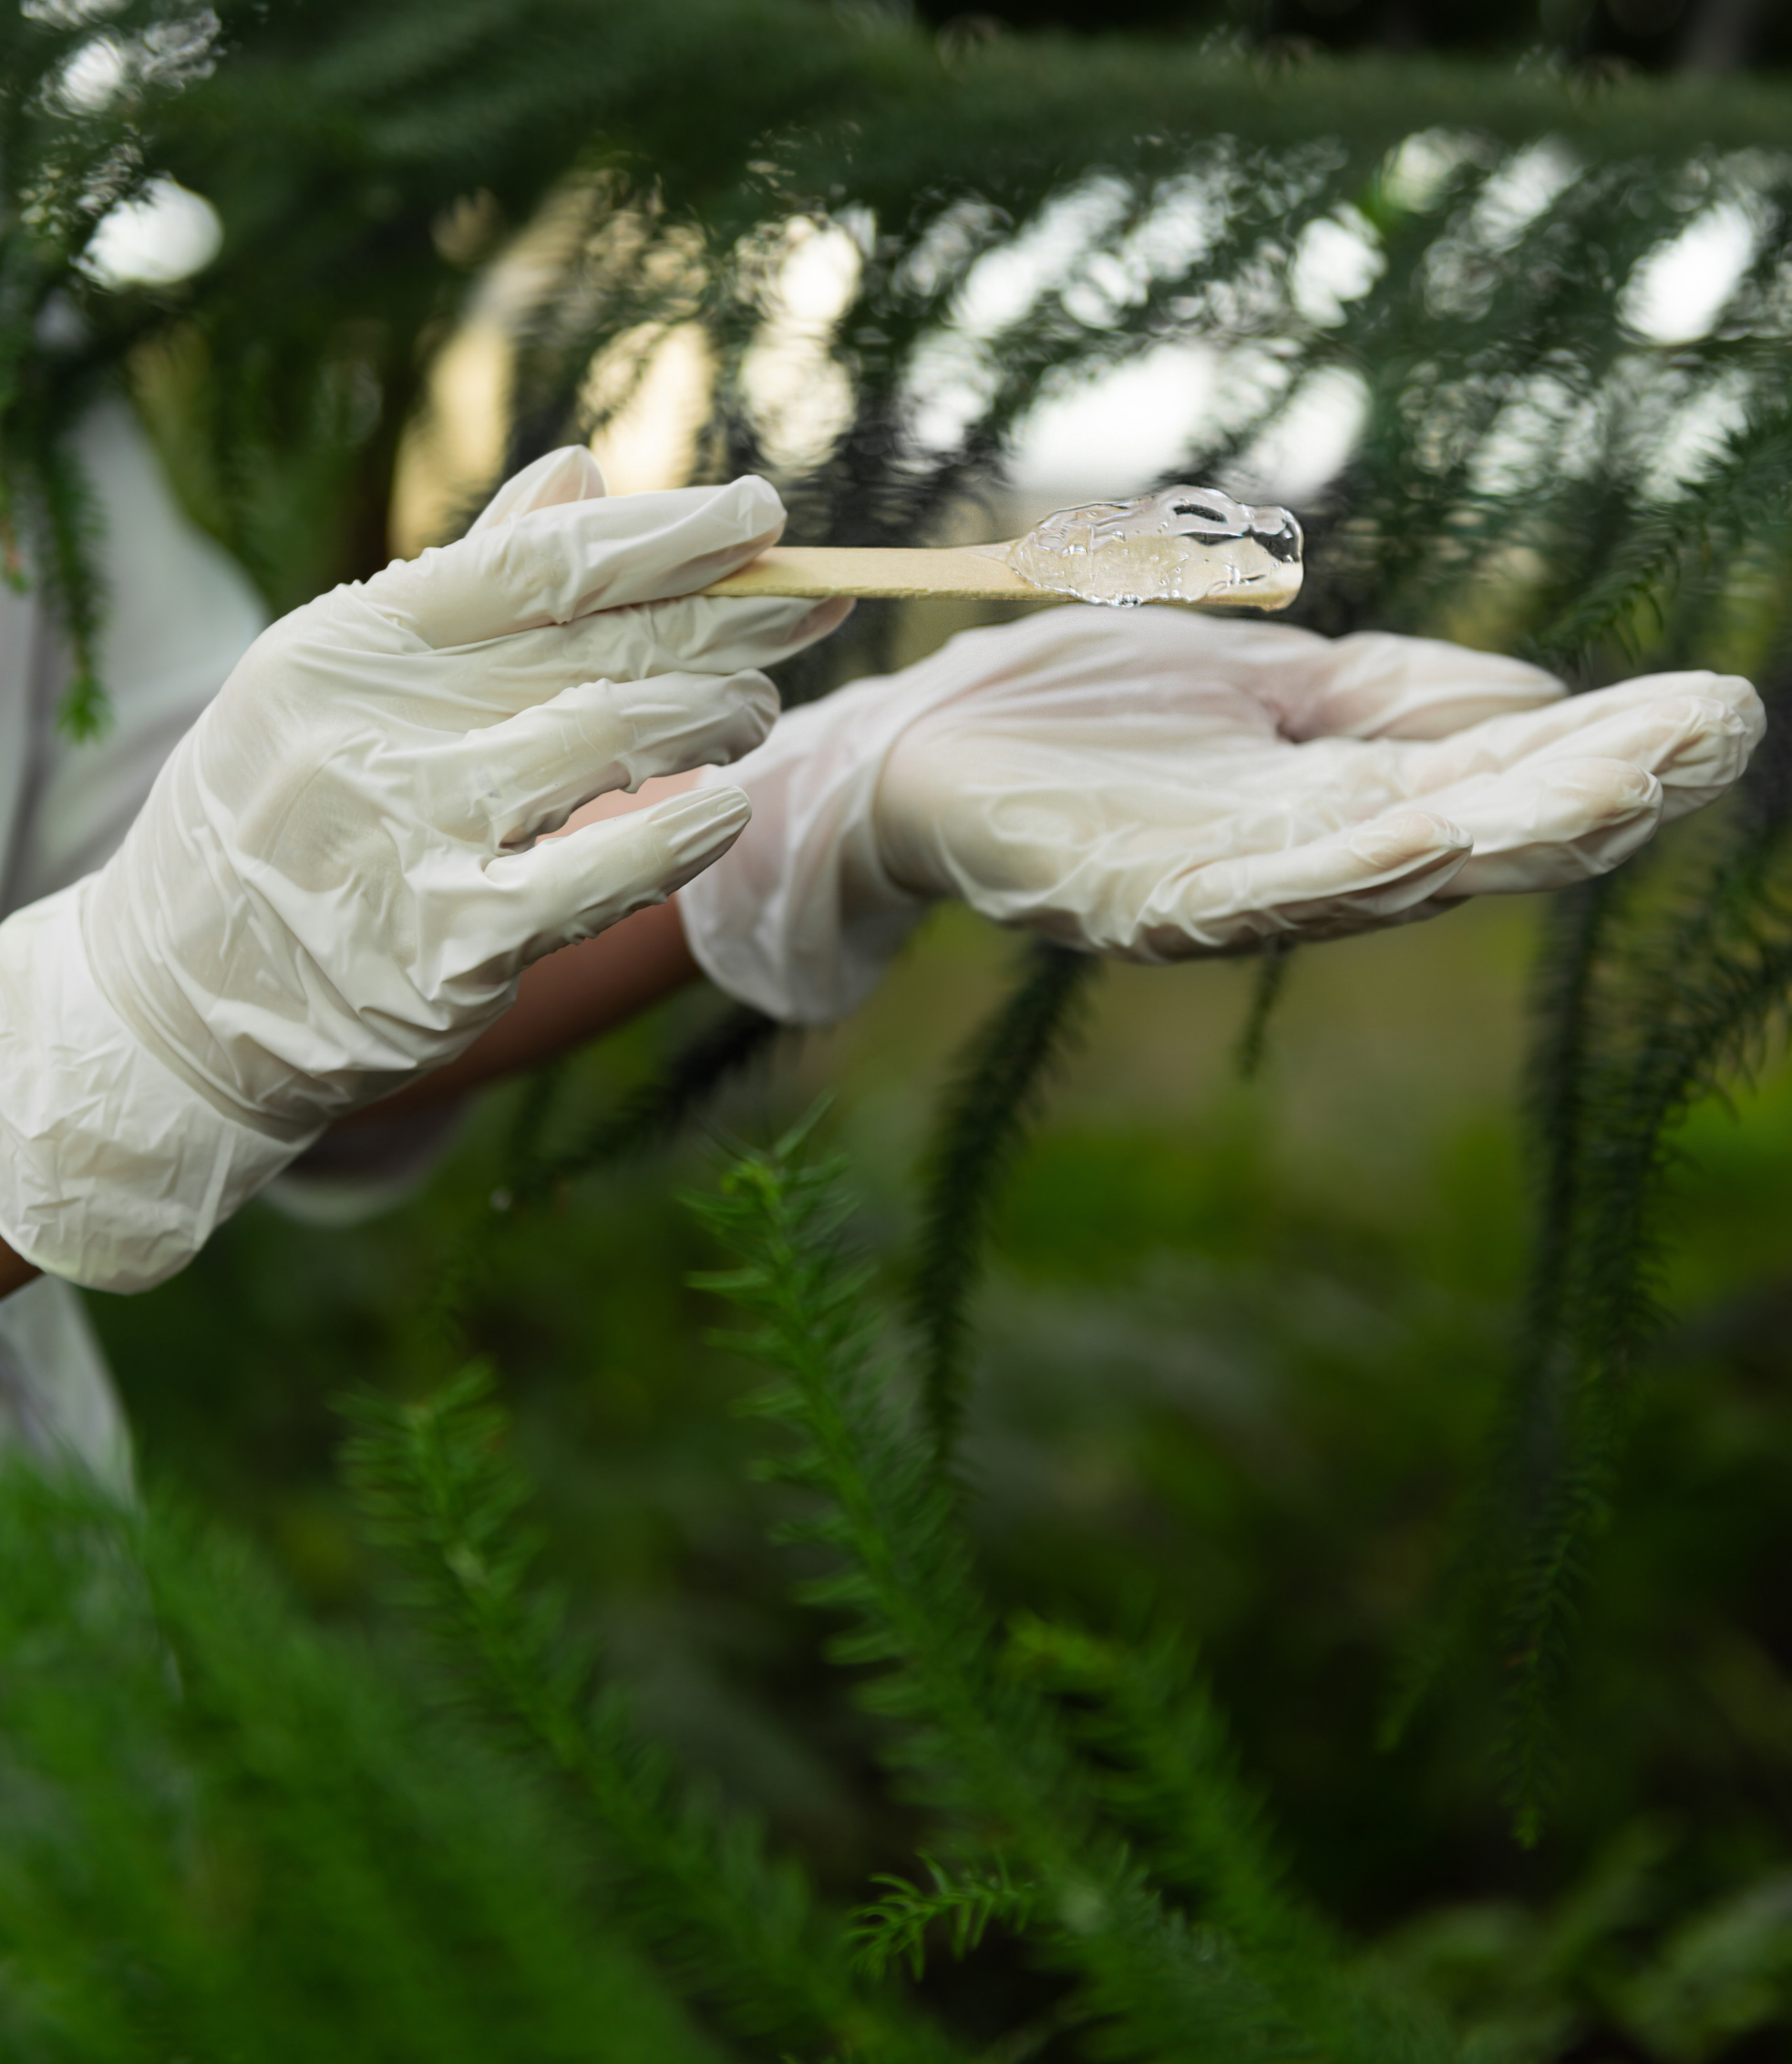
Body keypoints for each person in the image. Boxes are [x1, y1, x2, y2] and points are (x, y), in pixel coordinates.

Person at [0, 413, 1765, 1486]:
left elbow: (248, 930)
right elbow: (156, 993)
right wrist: (125, 1021)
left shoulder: (34, 290)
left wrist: (833, 796)